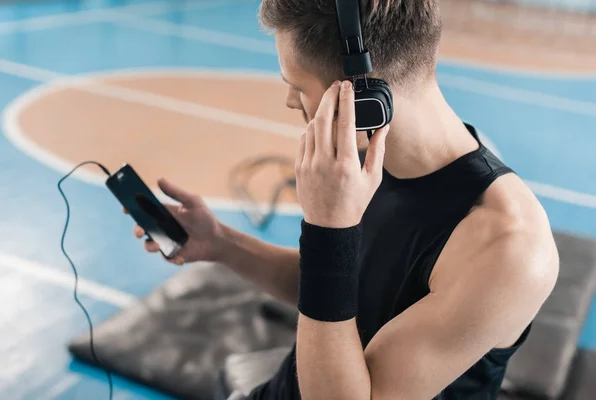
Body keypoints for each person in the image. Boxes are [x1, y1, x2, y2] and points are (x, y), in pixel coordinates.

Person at [129, 0, 559, 398]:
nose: (289, 99)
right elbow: (333, 286)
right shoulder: (364, 162)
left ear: (364, 98)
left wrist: (329, 227)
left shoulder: (508, 249)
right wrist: (221, 242)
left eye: (297, 85)